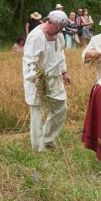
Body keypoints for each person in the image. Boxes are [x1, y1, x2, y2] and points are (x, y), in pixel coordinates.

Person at [22, 10, 71, 152]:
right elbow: (29, 61)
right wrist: (36, 78)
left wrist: (64, 71)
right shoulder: (36, 36)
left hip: (55, 78)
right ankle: (38, 149)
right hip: (37, 79)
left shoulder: (58, 34)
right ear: (49, 22)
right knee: (37, 112)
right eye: (59, 27)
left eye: (62, 27)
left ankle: (48, 139)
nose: (61, 30)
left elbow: (60, 53)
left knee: (61, 108)